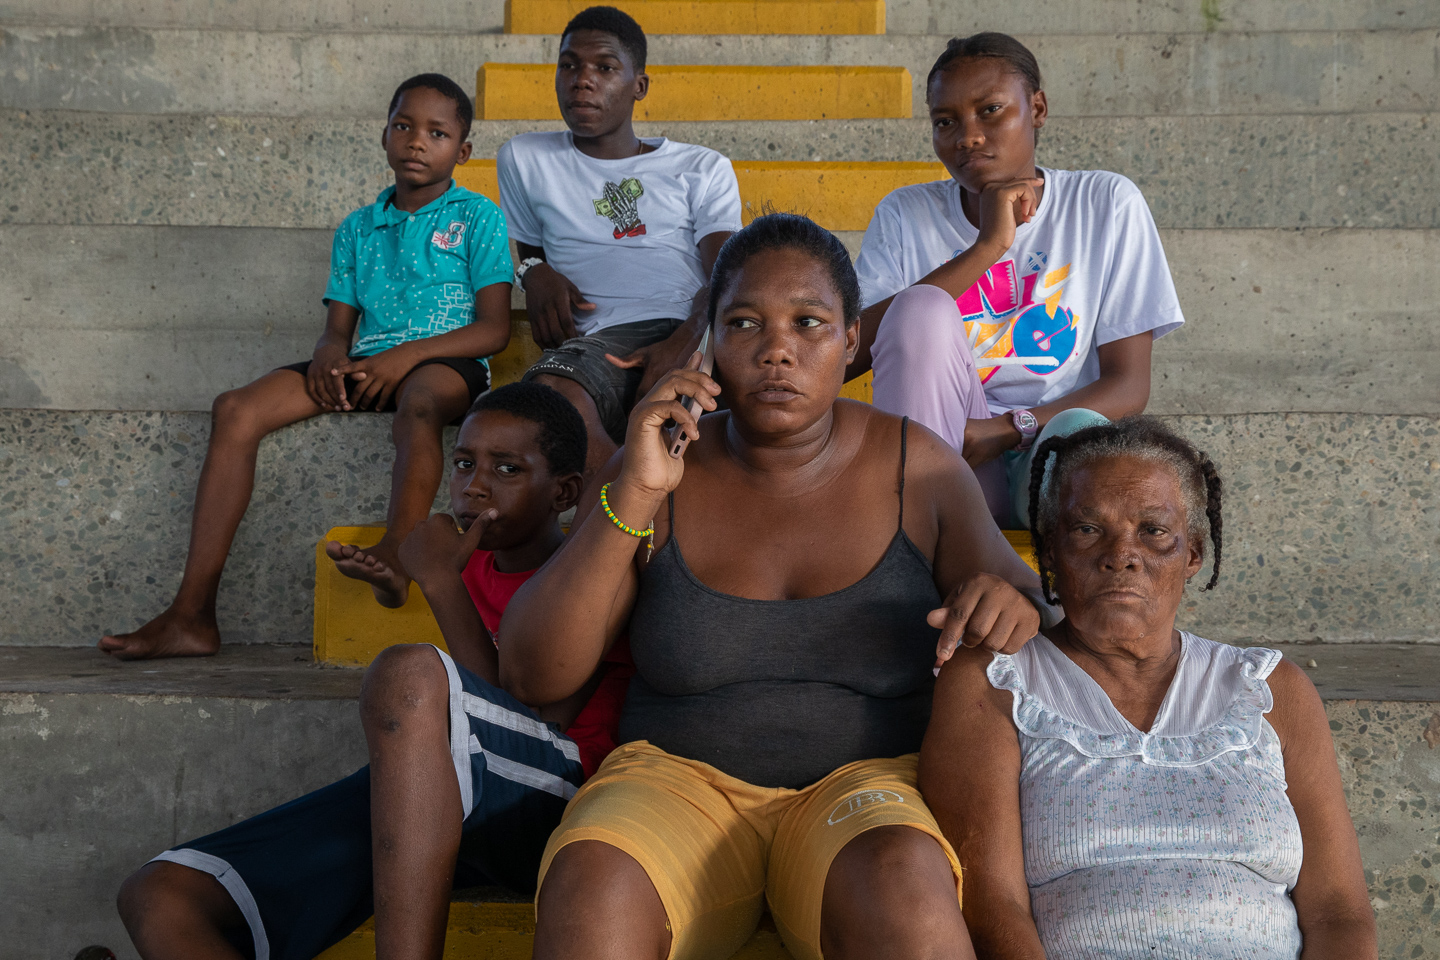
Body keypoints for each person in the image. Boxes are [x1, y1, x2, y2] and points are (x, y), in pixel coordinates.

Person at [499, 214, 1061, 960]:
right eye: (743, 323)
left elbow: (1040, 612)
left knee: (905, 882)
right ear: (710, 347)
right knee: (592, 883)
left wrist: (1014, 605)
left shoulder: (917, 467)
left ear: (852, 341)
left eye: (809, 322)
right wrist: (634, 492)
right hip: (672, 780)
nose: (777, 351)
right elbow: (536, 674)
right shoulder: (658, 466)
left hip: (865, 789)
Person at [114, 383, 635, 960]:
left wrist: (438, 581)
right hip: (459, 792)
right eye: (464, 464)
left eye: (507, 468)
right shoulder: (474, 563)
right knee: (160, 895)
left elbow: (534, 708)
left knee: (407, 672)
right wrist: (434, 577)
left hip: (562, 798)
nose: (475, 485)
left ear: (564, 491)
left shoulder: (590, 573)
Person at [920, 417, 1377, 960]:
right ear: (1048, 555)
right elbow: (991, 909)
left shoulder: (1272, 689)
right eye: (1087, 530)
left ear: (1191, 556)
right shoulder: (997, 682)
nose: (1122, 554)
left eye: (1153, 531)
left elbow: (1339, 913)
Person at [100, 74, 514, 659]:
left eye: (437, 132)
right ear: (384, 135)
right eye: (403, 126)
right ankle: (191, 613)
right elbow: (337, 329)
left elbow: (494, 329)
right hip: (367, 366)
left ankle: (397, 558)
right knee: (235, 409)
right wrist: (328, 354)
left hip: (445, 366)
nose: (417, 142)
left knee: (418, 403)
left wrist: (408, 355)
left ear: (462, 152)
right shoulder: (357, 228)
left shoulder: (478, 218)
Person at [851, 33, 1184, 527]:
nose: (967, 136)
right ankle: (916, 537)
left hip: (1054, 455)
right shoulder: (905, 214)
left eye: (990, 111)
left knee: (1080, 431)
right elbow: (846, 354)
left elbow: (1128, 384)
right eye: (945, 122)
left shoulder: (1105, 203)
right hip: (943, 453)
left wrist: (1009, 428)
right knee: (920, 309)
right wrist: (989, 246)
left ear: (1038, 108)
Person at [497, 5, 743, 480]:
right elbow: (530, 257)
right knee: (549, 397)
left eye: (605, 68)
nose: (582, 80)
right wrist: (532, 274)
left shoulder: (700, 167)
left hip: (686, 324)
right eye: (568, 65)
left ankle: (639, 517)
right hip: (599, 345)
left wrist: (686, 338)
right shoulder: (525, 158)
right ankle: (632, 507)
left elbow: (729, 272)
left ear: (639, 86)